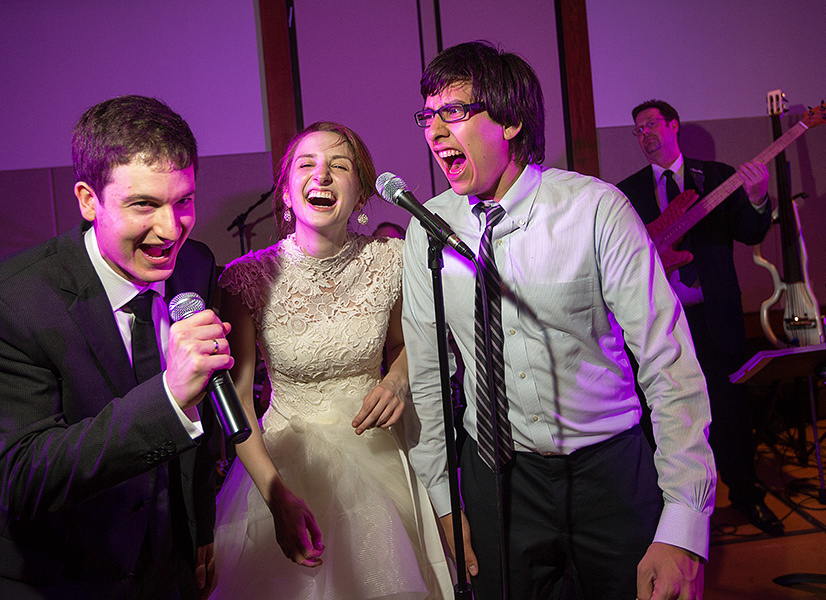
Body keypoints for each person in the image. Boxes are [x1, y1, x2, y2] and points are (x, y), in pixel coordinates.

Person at [402, 41, 715, 600]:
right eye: (428, 115)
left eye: (454, 111)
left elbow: (668, 363)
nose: (434, 131)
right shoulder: (426, 228)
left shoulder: (595, 210)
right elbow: (427, 377)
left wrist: (684, 527)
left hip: (610, 472)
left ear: (513, 121)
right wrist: (444, 506)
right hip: (498, 476)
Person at [211, 121, 453, 599]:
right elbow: (238, 400)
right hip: (285, 458)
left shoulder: (392, 259)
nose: (321, 176)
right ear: (285, 192)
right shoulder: (246, 279)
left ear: (361, 195)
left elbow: (407, 346)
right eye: (307, 165)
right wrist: (274, 496)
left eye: (338, 167)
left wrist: (399, 378)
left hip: (378, 452)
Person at [0, 95, 224, 599]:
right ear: (87, 199)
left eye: (183, 200)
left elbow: (201, 431)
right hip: (64, 580)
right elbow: (22, 478)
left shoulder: (194, 266)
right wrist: (167, 398)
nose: (171, 230)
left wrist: (200, 531)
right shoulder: (16, 300)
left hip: (170, 572)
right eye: (144, 204)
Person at [616, 100, 781, 536]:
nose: (645, 133)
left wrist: (759, 196)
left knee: (730, 414)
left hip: (715, 317)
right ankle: (665, 514)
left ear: (673, 126)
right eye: (637, 129)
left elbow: (750, 232)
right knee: (661, 417)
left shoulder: (718, 176)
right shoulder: (624, 192)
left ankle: (746, 496)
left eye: (652, 123)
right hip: (659, 323)